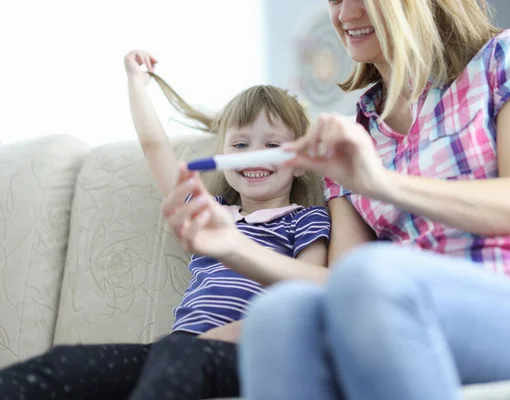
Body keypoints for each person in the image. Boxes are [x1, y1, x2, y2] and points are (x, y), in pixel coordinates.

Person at [237, 1, 510, 399]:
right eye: (335, 0)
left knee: (372, 277)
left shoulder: (506, 56)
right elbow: (339, 284)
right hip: (404, 311)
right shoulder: (355, 134)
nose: (344, 15)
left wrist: (381, 182)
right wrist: (229, 246)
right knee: (279, 316)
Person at [0, 50, 331, 400]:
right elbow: (154, 147)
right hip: (178, 348)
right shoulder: (207, 211)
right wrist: (136, 84)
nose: (253, 155)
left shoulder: (305, 219)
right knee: (63, 365)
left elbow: (306, 295)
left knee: (176, 356)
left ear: (298, 163)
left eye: (272, 145)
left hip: (251, 352)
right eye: (240, 144)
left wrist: (235, 334)